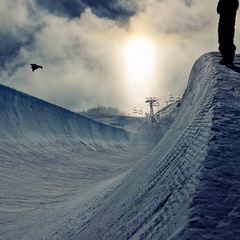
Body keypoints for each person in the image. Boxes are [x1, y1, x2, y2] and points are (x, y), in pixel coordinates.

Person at [217, 0, 239, 65]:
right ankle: (227, 56)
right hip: (226, 23)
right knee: (225, 39)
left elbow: (219, 10)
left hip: (226, 23)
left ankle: (227, 57)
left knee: (225, 39)